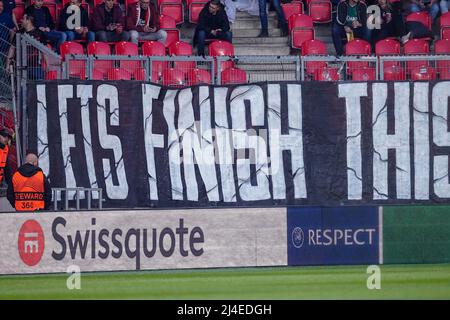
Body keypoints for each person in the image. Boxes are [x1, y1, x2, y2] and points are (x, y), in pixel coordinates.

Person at [20, 13, 47, 79]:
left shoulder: (39, 33)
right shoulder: (19, 33)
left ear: (28, 20)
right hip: (21, 66)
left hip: (35, 66)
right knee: (22, 87)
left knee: (40, 85)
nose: (21, 20)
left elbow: (44, 50)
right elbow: (12, 48)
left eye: (23, 19)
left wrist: (47, 64)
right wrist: (8, 64)